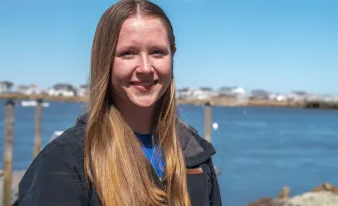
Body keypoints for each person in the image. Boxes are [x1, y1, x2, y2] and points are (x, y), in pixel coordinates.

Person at [17, 0, 222, 205]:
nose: (145, 68)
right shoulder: (66, 161)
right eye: (128, 53)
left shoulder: (194, 150)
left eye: (157, 52)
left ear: (172, 55)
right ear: (104, 59)